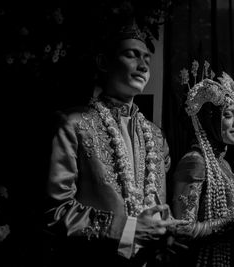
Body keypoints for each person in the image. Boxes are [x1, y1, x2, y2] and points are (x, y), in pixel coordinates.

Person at [44, 23, 185, 267]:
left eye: (147, 59)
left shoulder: (155, 136)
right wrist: (128, 230)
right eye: (131, 55)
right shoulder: (74, 124)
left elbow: (159, 209)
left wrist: (168, 230)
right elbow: (55, 212)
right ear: (103, 62)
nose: (143, 65)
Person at [170, 61, 234, 267]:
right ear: (209, 120)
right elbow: (182, 230)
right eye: (227, 115)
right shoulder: (194, 162)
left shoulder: (223, 165)